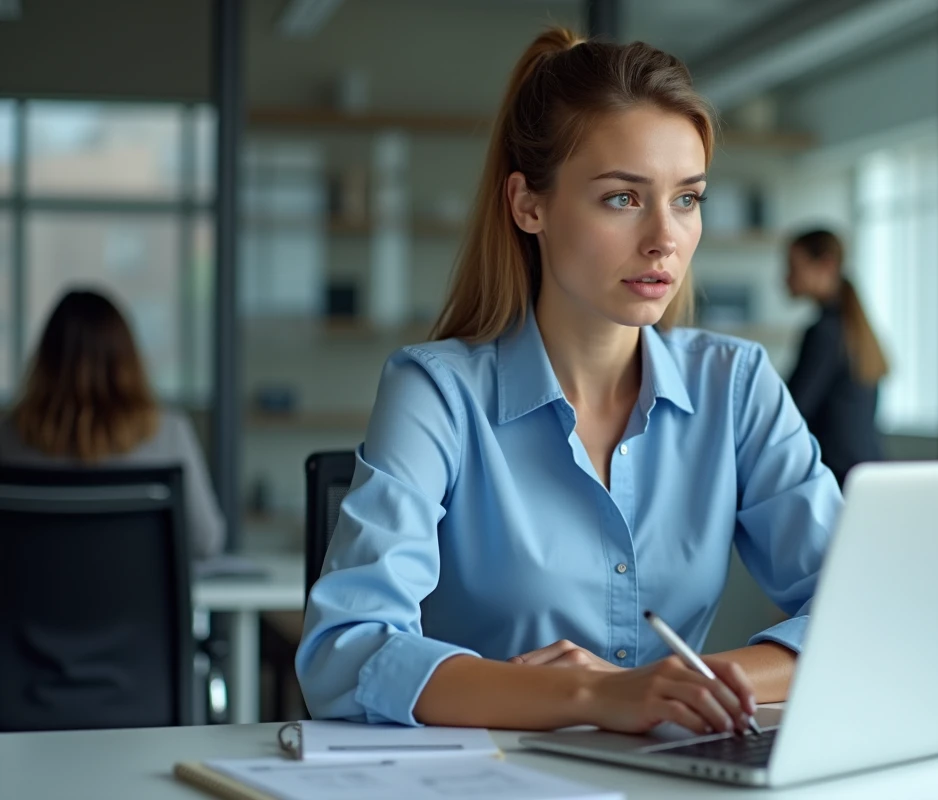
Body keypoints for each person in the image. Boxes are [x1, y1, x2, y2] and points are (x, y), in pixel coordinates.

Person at [297, 27, 841, 735]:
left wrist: (679, 686)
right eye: (622, 198)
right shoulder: (435, 393)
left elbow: (860, 611)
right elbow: (346, 652)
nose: (664, 238)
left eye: (686, 199)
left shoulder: (735, 384)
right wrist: (594, 697)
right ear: (530, 206)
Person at [0, 289, 226, 559]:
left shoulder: (7, 438)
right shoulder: (168, 433)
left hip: (29, 600)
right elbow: (206, 540)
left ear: (44, 361)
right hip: (138, 600)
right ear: (128, 360)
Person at [783, 229, 888, 487]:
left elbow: (793, 410)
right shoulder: (850, 327)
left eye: (794, 266)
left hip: (837, 476)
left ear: (826, 264)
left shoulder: (824, 332)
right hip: (865, 469)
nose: (785, 277)